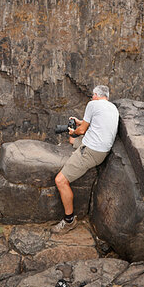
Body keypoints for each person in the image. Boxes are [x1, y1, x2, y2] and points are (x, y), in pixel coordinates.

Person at [51, 85, 118, 234]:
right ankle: (73, 136)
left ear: (95, 95)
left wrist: (74, 131)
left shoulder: (92, 104)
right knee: (71, 141)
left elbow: (82, 131)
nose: (91, 98)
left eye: (92, 96)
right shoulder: (112, 107)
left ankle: (69, 221)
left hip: (91, 151)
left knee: (60, 180)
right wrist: (78, 122)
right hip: (103, 149)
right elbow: (92, 124)